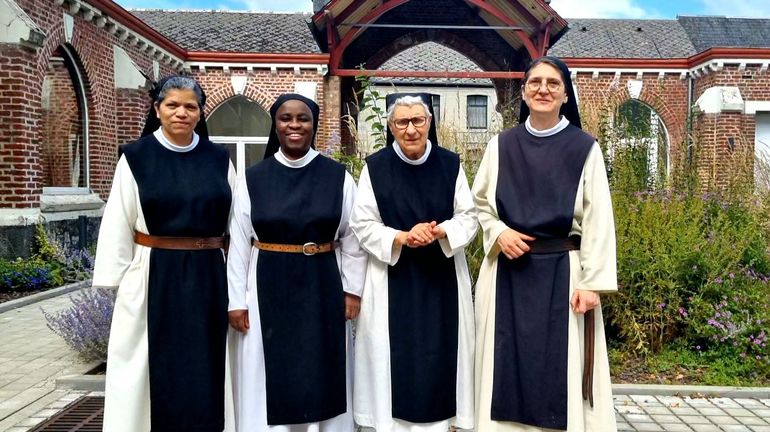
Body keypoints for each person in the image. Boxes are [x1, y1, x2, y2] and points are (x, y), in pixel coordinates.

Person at [471, 55, 618, 432]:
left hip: (563, 275)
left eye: (553, 83)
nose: (543, 89)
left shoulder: (585, 147)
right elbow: (478, 207)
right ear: (523, 92)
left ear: (566, 94)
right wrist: (498, 233)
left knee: (558, 365)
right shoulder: (500, 145)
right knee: (504, 363)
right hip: (507, 271)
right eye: (535, 82)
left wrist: (591, 283)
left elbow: (598, 218)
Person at [92, 75, 235, 432]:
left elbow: (238, 221)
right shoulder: (136, 158)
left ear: (201, 113)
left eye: (190, 106)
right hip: (153, 274)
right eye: (172, 105)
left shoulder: (218, 159)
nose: (181, 113)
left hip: (209, 275)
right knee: (146, 365)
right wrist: (119, 281)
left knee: (207, 363)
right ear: (157, 110)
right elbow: (118, 220)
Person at [227, 93, 366, 431]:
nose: (294, 125)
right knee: (270, 369)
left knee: (321, 366)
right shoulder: (253, 178)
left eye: (302, 118)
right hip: (268, 284)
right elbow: (239, 242)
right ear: (275, 125)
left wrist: (352, 291)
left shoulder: (338, 177)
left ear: (313, 124)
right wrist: (236, 301)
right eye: (286, 118)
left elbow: (353, 239)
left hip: (322, 284)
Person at [351, 93, 478, 432]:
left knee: (442, 357)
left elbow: (469, 217)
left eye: (418, 121)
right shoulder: (375, 168)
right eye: (402, 122)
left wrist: (440, 232)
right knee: (393, 360)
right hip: (392, 278)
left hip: (443, 279)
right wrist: (403, 237)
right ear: (391, 126)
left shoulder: (450, 164)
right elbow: (362, 224)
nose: (410, 130)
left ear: (429, 122)